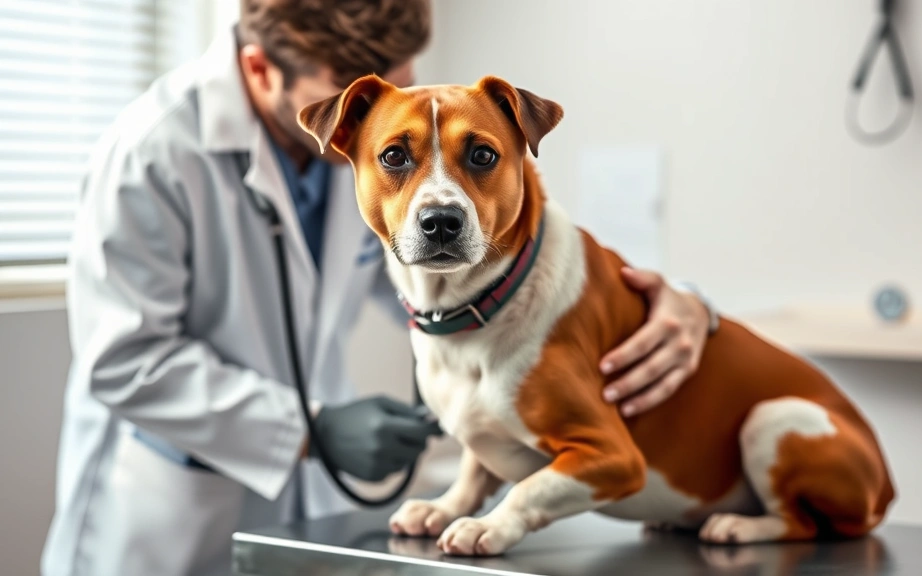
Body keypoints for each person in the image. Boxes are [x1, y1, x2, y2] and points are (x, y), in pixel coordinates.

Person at [40, 1, 717, 574]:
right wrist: (309, 429)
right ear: (257, 67)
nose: (391, 105)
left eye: (404, 78)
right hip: (165, 511)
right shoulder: (152, 152)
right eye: (353, 88)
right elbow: (124, 359)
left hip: (311, 508)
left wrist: (680, 302)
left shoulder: (392, 134)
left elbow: (505, 283)